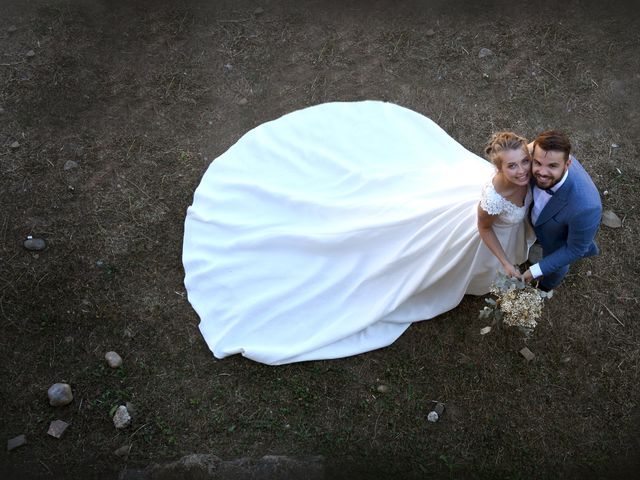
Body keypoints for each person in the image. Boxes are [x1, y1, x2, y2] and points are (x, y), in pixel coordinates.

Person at [182, 101, 534, 365]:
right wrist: (504, 261)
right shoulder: (491, 199)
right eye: (512, 166)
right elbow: (483, 228)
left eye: (524, 163)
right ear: (499, 167)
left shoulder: (530, 174)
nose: (521, 172)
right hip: (479, 235)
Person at [521, 131, 602, 291]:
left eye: (552, 166)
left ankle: (545, 287)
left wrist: (535, 270)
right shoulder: (536, 156)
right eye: (537, 163)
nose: (542, 172)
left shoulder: (586, 208)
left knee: (557, 266)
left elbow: (575, 249)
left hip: (557, 241)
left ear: (567, 164)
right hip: (541, 222)